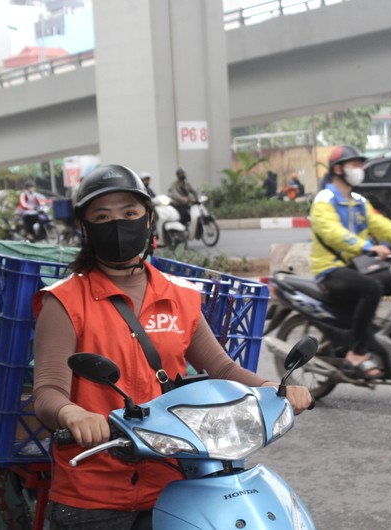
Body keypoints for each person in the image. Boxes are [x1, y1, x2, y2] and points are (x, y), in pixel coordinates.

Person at [32, 164, 312, 529]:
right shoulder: (65, 301)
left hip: (177, 483)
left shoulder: (179, 296)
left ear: (148, 220)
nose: (118, 223)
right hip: (95, 491)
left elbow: (223, 369)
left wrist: (272, 389)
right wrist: (74, 415)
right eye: (102, 216)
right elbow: (48, 391)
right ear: (85, 229)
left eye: (130, 213)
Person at [310, 145, 391, 380]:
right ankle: (357, 351)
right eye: (354, 165)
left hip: (356, 266)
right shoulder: (324, 199)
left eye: (360, 165)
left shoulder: (358, 200)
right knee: (371, 289)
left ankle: (389, 340)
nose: (360, 169)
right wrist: (368, 247)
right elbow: (332, 232)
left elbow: (379, 224)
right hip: (331, 270)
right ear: (339, 169)